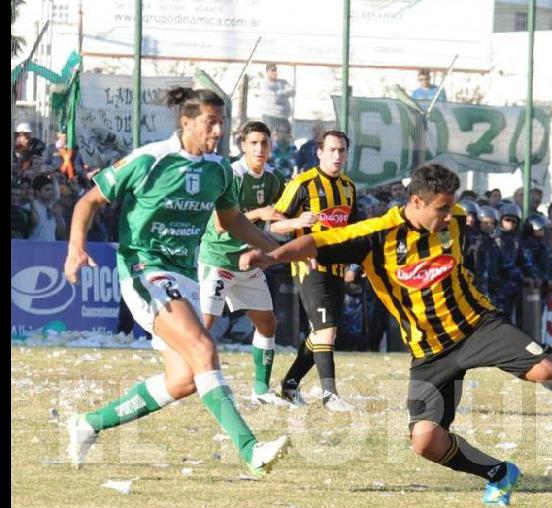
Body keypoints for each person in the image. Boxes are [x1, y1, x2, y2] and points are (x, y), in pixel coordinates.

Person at [240, 163, 552, 507]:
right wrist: (272, 256)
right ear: (416, 202)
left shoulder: (456, 219)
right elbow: (315, 244)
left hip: (477, 325)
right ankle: (499, 473)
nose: (451, 216)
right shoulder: (375, 234)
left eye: (451, 208)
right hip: (430, 352)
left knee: (548, 372)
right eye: (442, 209)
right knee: (425, 441)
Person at [62, 87, 290, 475]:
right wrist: (75, 247)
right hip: (143, 268)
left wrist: (272, 248)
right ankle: (252, 451)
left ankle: (88, 424)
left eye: (222, 123)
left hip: (184, 273)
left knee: (183, 379)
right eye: (210, 123)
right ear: (186, 122)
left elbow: (230, 220)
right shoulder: (151, 159)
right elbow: (89, 201)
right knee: (204, 349)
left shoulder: (218, 170)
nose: (217, 131)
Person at [197, 121, 311, 406]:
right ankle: (183, 377)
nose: (260, 149)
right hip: (220, 258)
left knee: (268, 324)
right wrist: (261, 212)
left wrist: (300, 226)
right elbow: (222, 226)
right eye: (254, 143)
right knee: (203, 327)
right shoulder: (232, 175)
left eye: (265, 143)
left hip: (249, 263)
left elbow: (281, 216)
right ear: (243, 146)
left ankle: (260, 390)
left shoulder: (274, 178)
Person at [269, 130, 359, 412]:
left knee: (322, 331)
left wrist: (355, 263)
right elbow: (274, 224)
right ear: (319, 152)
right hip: (309, 266)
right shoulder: (302, 183)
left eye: (342, 150)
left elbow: (353, 231)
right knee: (327, 328)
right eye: (331, 150)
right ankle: (329, 394)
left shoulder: (348, 187)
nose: (337, 155)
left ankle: (290, 384)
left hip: (337, 267)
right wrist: (297, 220)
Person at [29, 173, 67, 241]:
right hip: (33, 248)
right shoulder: (29, 207)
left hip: (51, 248)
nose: (51, 192)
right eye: (47, 190)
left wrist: (58, 217)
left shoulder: (56, 208)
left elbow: (61, 236)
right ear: (37, 191)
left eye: (52, 189)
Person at [262, 63, 295, 136]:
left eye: (275, 70)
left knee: (286, 138)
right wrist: (285, 95)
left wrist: (279, 94)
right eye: (272, 70)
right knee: (272, 139)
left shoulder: (283, 82)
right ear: (267, 72)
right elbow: (274, 99)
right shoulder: (265, 84)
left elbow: (292, 92)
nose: (275, 72)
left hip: (284, 117)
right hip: (271, 117)